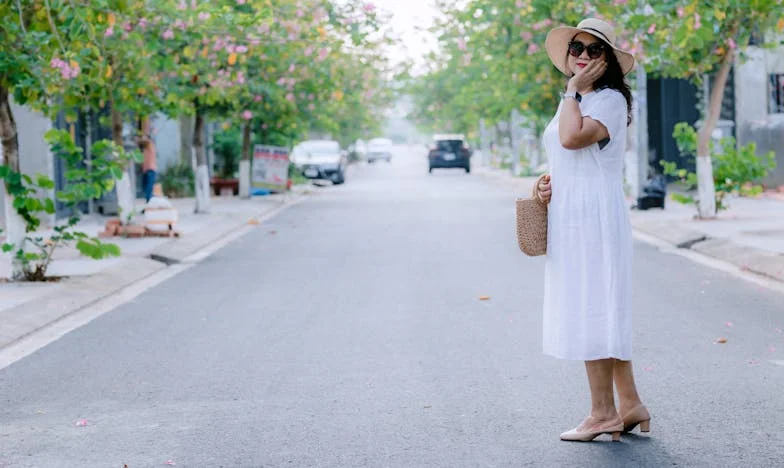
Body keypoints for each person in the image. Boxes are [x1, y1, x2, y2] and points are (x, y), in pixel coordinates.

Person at [536, 18, 649, 442]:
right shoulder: (578, 98)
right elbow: (562, 156)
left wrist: (570, 92)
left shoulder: (607, 100)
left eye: (593, 50)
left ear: (608, 62)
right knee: (599, 303)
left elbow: (571, 140)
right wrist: (544, 184)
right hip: (571, 211)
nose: (582, 55)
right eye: (576, 48)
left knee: (594, 306)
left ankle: (603, 413)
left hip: (594, 216)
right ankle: (630, 403)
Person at [138, 118, 158, 203]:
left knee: (148, 190)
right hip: (146, 170)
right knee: (145, 189)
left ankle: (149, 205)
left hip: (150, 170)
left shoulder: (150, 144)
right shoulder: (145, 148)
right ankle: (149, 204)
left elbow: (143, 140)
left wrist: (145, 132)